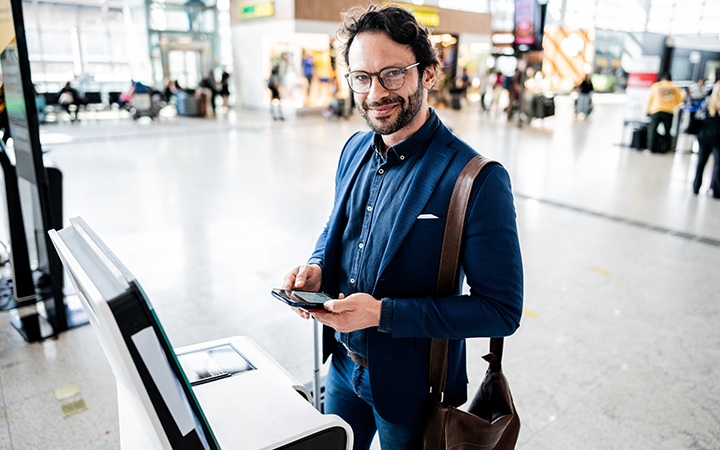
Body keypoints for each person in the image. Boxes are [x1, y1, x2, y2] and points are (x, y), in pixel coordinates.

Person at [280, 5, 523, 449]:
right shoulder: (354, 149)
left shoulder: (475, 179)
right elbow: (340, 229)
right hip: (340, 365)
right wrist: (317, 266)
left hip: (413, 390)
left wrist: (382, 314)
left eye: (392, 73)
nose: (375, 93)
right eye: (361, 77)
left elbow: (501, 311)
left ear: (428, 73)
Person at [693, 81, 720, 198]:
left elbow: (698, 117)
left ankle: (696, 187)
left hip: (704, 136)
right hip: (719, 139)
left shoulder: (707, 102)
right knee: (718, 166)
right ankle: (716, 191)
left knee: (700, 163)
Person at [646, 72, 682, 153]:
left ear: (662, 79)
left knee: (652, 130)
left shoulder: (656, 86)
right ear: (671, 79)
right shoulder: (675, 88)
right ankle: (667, 148)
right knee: (667, 131)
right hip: (669, 111)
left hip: (656, 109)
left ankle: (649, 148)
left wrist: (648, 109)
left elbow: (650, 99)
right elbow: (679, 101)